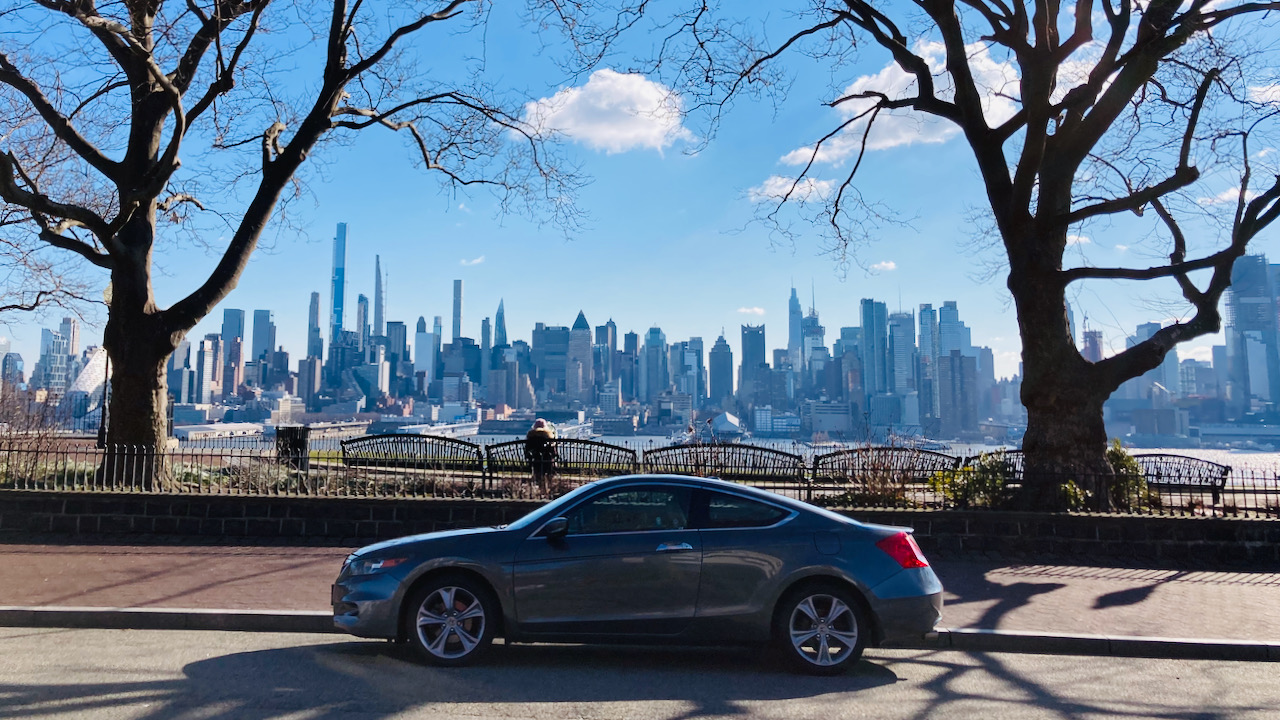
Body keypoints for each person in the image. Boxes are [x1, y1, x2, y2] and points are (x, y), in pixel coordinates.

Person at [524, 418, 558, 492]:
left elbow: (527, 450)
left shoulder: (530, 436)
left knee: (538, 472)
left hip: (536, 461)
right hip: (548, 461)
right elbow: (554, 452)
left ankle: (540, 487)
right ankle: (548, 488)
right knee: (550, 469)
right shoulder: (549, 436)